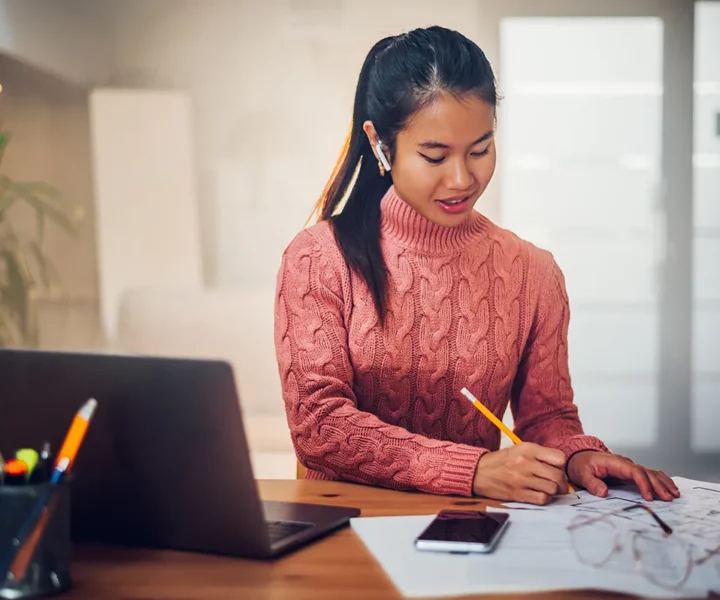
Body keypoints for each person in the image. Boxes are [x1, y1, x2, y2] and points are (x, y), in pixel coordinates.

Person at [273, 26, 679, 505]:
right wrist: (473, 469)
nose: (463, 178)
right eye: (434, 155)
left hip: (472, 532)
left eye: (481, 150)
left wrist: (574, 456)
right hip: (343, 530)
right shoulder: (319, 258)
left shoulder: (533, 272)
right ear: (380, 144)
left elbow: (547, 419)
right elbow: (319, 426)